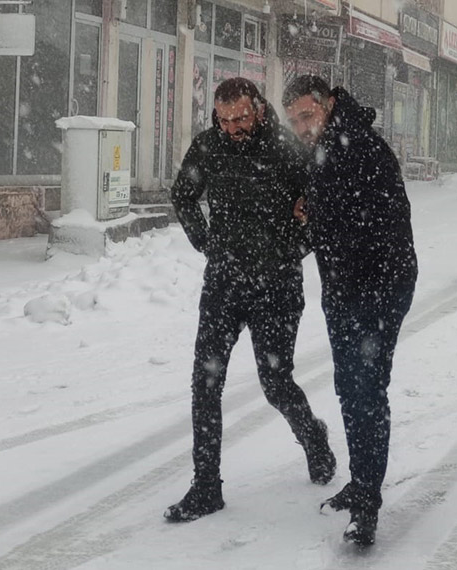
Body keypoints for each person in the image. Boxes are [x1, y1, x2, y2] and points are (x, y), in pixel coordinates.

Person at [166, 78, 335, 523]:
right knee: (205, 384)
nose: (233, 128)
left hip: (276, 287)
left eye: (241, 118)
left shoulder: (285, 147)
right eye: (225, 120)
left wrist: (290, 248)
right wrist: (206, 243)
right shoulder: (209, 146)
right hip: (224, 282)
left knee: (276, 383)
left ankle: (314, 439)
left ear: (258, 109)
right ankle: (206, 487)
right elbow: (182, 196)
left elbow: (318, 205)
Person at [282, 75, 418, 547]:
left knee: (366, 393)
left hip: (380, 287)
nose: (301, 126)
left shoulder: (358, 145)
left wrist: (313, 212)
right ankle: (362, 483)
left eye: (307, 115)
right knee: (350, 390)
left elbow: (361, 222)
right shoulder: (328, 146)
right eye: (295, 119)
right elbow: (331, 218)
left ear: (329, 104)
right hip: (345, 288)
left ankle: (367, 507)